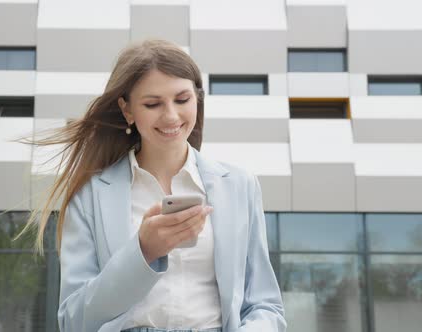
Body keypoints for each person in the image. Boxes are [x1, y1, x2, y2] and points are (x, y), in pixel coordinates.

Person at [18, 39, 286, 332]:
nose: (171, 116)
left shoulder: (239, 185)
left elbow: (265, 306)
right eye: (152, 104)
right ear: (127, 110)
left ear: (198, 99)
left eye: (182, 100)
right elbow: (73, 320)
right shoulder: (90, 195)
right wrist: (143, 251)